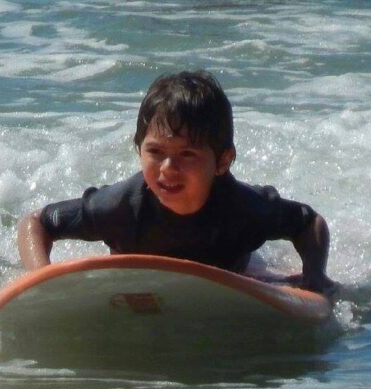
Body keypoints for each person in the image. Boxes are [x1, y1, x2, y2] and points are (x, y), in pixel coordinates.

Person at [18, 70, 335, 295]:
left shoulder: (244, 210)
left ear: (223, 161)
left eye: (187, 154)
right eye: (155, 152)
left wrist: (315, 274)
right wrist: (42, 279)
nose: (168, 169)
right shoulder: (121, 208)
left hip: (233, 268)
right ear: (138, 151)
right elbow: (36, 223)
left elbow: (308, 222)